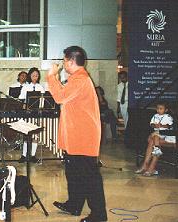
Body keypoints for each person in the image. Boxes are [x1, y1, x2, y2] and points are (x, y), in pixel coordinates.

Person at [47, 46, 107, 222]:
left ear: (71, 61)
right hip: (75, 137)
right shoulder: (77, 78)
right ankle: (74, 204)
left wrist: (51, 76)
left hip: (83, 138)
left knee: (89, 178)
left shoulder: (80, 79)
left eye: (64, 60)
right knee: (73, 173)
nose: (63, 63)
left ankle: (99, 215)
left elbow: (59, 97)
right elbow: (65, 96)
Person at [135, 102, 176, 176]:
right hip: (162, 135)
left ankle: (149, 167)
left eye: (161, 109)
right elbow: (152, 124)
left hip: (172, 138)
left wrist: (156, 132)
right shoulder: (156, 116)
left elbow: (170, 127)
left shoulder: (168, 117)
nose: (158, 110)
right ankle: (147, 166)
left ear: (166, 110)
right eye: (158, 108)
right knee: (152, 141)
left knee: (152, 140)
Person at [18, 67, 45, 163]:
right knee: (26, 135)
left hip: (36, 114)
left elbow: (43, 101)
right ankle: (24, 155)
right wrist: (25, 106)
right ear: (30, 76)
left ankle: (33, 155)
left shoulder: (40, 87)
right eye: (33, 75)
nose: (35, 77)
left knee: (35, 135)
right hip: (27, 113)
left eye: (37, 75)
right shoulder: (25, 87)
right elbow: (21, 100)